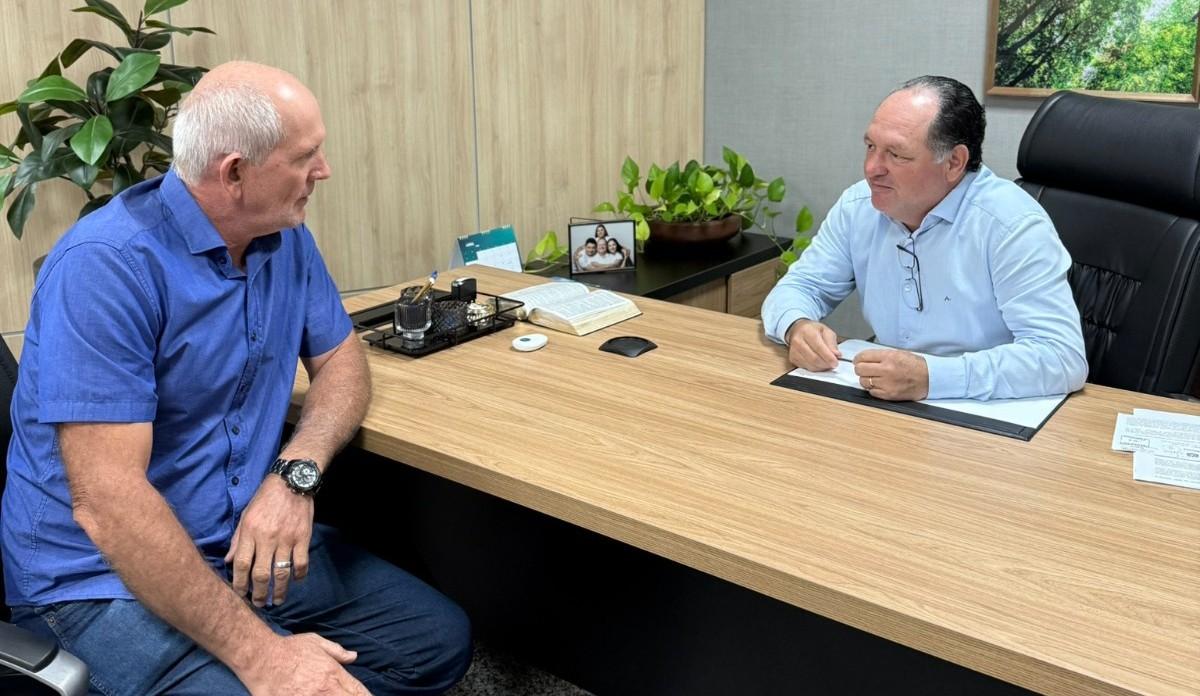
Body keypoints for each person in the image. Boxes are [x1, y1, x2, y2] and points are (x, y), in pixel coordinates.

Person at [0, 61, 471, 695]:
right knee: (277, 675)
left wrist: (293, 476)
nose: (323, 171)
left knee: (437, 643)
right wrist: (265, 658)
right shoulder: (105, 268)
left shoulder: (282, 235)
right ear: (234, 173)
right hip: (99, 582)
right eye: (306, 156)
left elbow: (342, 361)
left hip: (231, 548)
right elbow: (109, 507)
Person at [761, 75, 1086, 401]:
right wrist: (797, 326)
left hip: (984, 413)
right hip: (882, 401)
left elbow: (1061, 356)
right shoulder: (859, 206)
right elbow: (800, 287)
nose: (872, 168)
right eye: (871, 146)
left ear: (954, 162)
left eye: (896, 155)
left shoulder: (1010, 225)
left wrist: (933, 377)